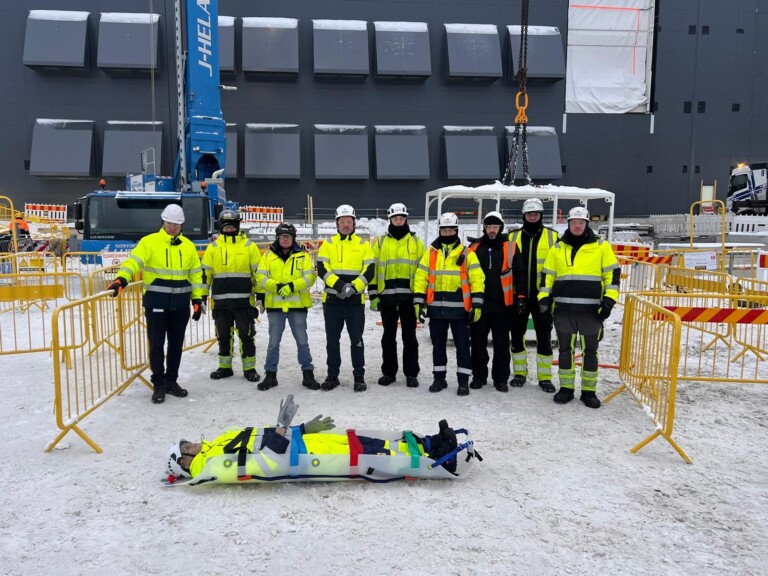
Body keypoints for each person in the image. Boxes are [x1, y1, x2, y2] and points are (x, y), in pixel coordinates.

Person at [165, 395, 460, 479]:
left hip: (301, 443)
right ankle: (433, 461)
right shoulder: (212, 466)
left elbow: (263, 436)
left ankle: (430, 443)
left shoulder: (217, 442)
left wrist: (300, 429)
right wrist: (283, 430)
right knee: (365, 456)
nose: (192, 443)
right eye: (186, 448)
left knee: (362, 442)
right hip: (300, 457)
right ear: (185, 463)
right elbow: (263, 464)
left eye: (187, 441)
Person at [107, 204, 204, 404]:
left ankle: (171, 382)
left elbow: (195, 274)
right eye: (170, 223)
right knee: (157, 346)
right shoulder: (149, 242)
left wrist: (197, 298)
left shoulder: (188, 246)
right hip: (156, 304)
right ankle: (158, 384)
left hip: (180, 306)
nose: (173, 228)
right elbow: (133, 262)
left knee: (176, 346)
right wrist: (121, 279)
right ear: (163, 222)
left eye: (177, 224)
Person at [538, 206, 620, 408]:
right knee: (564, 351)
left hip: (591, 312)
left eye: (581, 223)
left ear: (586, 224)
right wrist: (544, 300)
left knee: (590, 352)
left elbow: (612, 276)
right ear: (568, 224)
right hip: (564, 310)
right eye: (574, 222)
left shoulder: (601, 247)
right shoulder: (557, 248)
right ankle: (566, 389)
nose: (577, 226)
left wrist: (608, 301)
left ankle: (588, 392)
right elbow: (547, 276)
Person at [413, 212, 484, 396]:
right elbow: (421, 277)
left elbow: (477, 279)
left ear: (456, 230)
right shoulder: (430, 252)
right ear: (440, 231)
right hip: (436, 309)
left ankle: (463, 381)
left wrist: (477, 304)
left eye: (450, 229)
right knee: (438, 346)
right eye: (444, 230)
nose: (447, 233)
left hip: (460, 310)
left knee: (462, 346)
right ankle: (439, 378)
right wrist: (418, 302)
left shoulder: (467, 253)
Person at [316, 204, 375, 392]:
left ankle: (359, 377)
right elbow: (322, 269)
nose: (346, 225)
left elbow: (370, 270)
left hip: (355, 302)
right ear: (337, 224)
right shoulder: (328, 244)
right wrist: (341, 286)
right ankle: (332, 376)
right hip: (332, 301)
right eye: (342, 222)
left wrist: (354, 287)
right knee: (332, 341)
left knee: (356, 340)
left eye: (349, 221)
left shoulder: (363, 245)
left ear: (354, 223)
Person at [255, 222, 321, 391]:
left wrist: (292, 286)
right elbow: (260, 277)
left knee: (302, 342)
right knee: (273, 343)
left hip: (297, 307)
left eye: (288, 237)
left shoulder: (303, 256)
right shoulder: (268, 256)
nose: (285, 239)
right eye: (282, 236)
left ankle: (308, 374)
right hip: (276, 308)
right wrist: (275, 287)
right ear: (277, 238)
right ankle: (270, 375)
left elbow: (310, 277)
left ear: (293, 238)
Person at [466, 211, 527, 393]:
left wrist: (521, 297)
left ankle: (501, 379)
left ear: (501, 227)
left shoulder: (511, 247)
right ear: (484, 228)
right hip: (480, 306)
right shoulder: (474, 247)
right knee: (478, 345)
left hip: (503, 306)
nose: (492, 230)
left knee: (501, 345)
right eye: (488, 226)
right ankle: (479, 377)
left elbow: (521, 274)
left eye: (495, 226)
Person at [201, 209, 262, 384]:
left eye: (232, 225)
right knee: (223, 336)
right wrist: (202, 296)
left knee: (246, 335)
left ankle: (249, 368)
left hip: (244, 302)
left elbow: (258, 273)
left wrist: (261, 294)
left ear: (238, 226)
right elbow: (205, 275)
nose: (228, 229)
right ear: (221, 227)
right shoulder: (213, 248)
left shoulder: (249, 247)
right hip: (221, 302)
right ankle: (225, 368)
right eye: (225, 226)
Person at [369, 203, 426, 388]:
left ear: (406, 219)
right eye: (395, 218)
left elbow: (422, 271)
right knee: (388, 338)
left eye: (401, 218)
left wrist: (420, 297)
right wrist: (373, 295)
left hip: (408, 299)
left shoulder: (416, 242)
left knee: (410, 338)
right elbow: (373, 268)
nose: (399, 221)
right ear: (390, 219)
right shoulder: (380, 242)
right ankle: (389, 373)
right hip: (386, 299)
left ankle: (411, 374)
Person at [509, 198, 560, 392]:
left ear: (541, 215)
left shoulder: (553, 237)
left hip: (543, 297)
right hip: (518, 296)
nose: (533, 217)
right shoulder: (512, 237)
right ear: (524, 216)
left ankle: (545, 378)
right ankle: (520, 374)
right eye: (529, 214)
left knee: (544, 337)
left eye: (536, 214)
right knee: (516, 336)